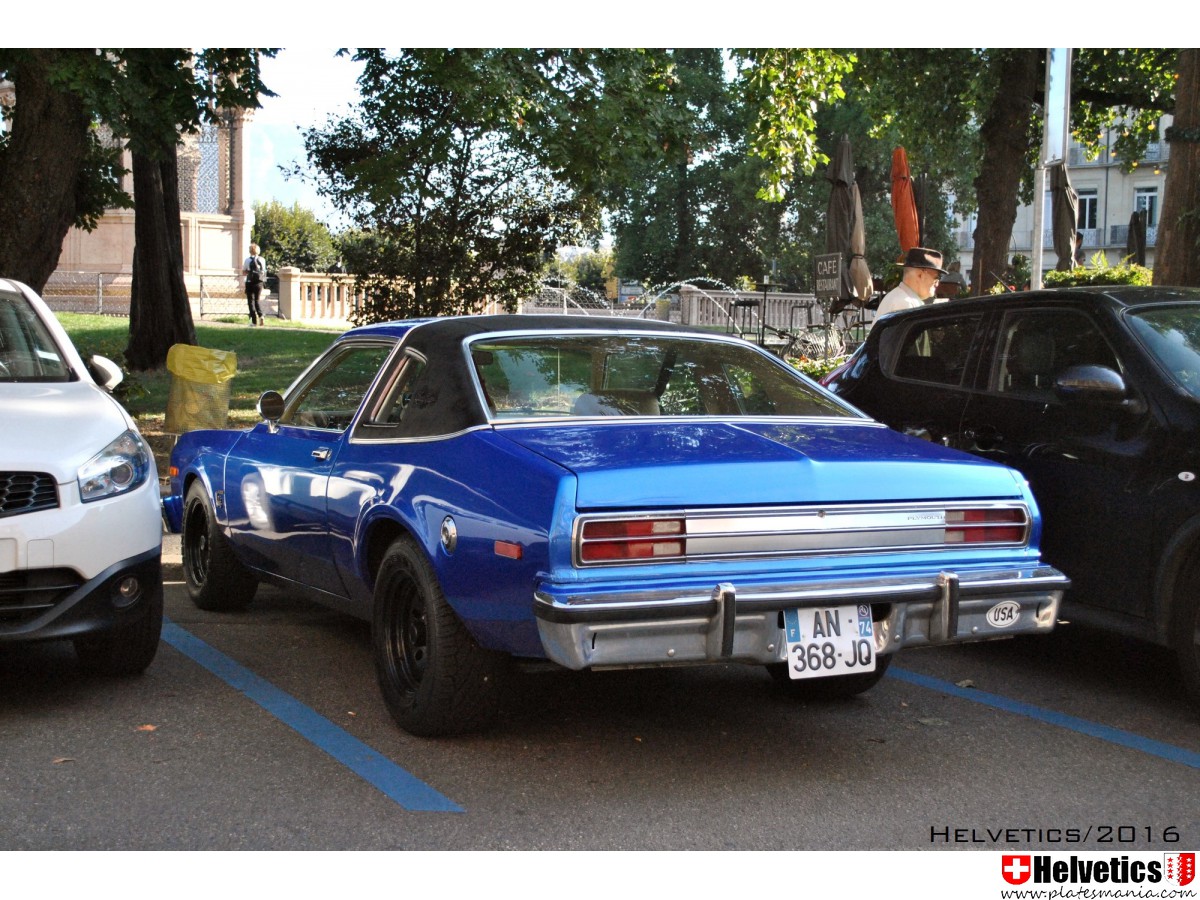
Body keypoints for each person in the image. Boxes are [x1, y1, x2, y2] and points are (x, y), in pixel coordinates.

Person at [874, 247, 948, 320]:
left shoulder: (901, 297)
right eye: (936, 277)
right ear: (920, 275)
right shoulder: (905, 304)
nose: (937, 284)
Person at [242, 243, 266, 326]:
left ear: (250, 251)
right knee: (257, 300)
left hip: (250, 282)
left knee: (250, 301)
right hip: (259, 282)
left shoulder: (247, 260)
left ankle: (253, 322)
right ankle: (261, 315)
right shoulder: (262, 259)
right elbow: (264, 271)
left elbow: (244, 271)